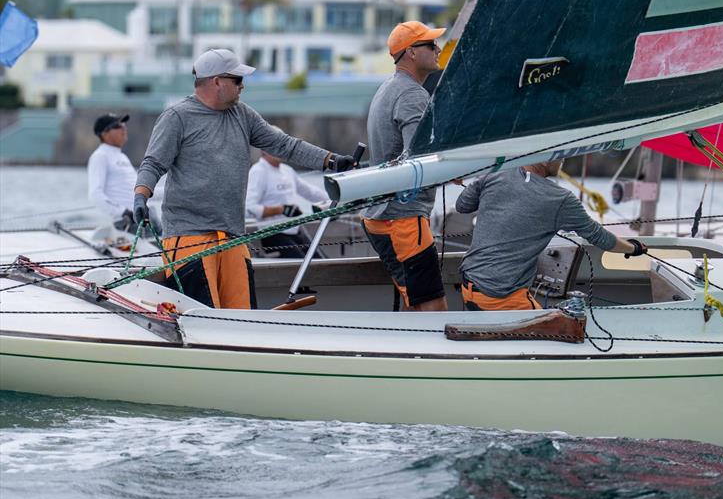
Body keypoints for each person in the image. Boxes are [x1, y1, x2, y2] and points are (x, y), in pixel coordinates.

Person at [133, 48, 354, 309]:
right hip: (189, 238)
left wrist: (330, 160)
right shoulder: (176, 117)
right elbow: (153, 163)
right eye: (237, 80)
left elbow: (284, 145)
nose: (242, 87)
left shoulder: (243, 114)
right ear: (217, 81)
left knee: (243, 316)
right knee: (200, 318)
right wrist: (140, 197)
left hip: (233, 237)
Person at [456, 159, 648, 311]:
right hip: (501, 297)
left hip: (468, 285)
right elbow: (599, 237)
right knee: (559, 338)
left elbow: (462, 206)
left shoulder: (494, 174)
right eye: (562, 156)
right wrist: (633, 248)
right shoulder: (560, 199)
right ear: (546, 159)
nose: (563, 161)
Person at [361, 21, 449, 312]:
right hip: (403, 220)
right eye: (430, 44)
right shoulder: (413, 94)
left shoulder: (388, 88)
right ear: (411, 52)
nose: (437, 49)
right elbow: (419, 160)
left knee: (416, 302)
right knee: (433, 308)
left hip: (381, 217)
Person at [245, 151, 329, 258]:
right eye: (275, 147)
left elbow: (311, 192)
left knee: (321, 261)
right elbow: (248, 208)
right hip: (272, 235)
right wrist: (282, 210)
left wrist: (336, 200)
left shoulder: (287, 170)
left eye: (282, 147)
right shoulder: (257, 172)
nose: (281, 150)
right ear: (264, 150)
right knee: (307, 266)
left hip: (295, 232)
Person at [87, 113, 138, 232]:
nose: (123, 127)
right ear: (104, 134)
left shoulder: (123, 157)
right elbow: (95, 195)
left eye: (124, 124)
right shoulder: (100, 156)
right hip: (125, 226)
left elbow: (141, 191)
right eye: (117, 126)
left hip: (141, 221)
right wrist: (123, 212)